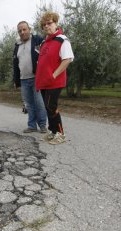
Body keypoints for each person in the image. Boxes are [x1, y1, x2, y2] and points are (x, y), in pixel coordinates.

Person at [35, 12, 74, 144]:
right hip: (44, 82)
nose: (47, 26)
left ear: (56, 23)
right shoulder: (45, 42)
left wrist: (54, 75)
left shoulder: (62, 40)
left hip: (54, 81)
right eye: (44, 25)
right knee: (47, 107)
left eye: (49, 23)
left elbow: (67, 59)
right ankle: (52, 132)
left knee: (51, 106)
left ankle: (60, 133)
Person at [13, 21, 47, 133]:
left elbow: (47, 55)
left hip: (36, 78)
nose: (22, 32)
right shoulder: (17, 45)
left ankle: (42, 125)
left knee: (39, 103)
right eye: (20, 31)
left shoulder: (38, 40)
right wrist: (16, 80)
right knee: (29, 104)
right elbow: (15, 64)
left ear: (29, 29)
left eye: (24, 29)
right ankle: (32, 126)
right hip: (23, 80)